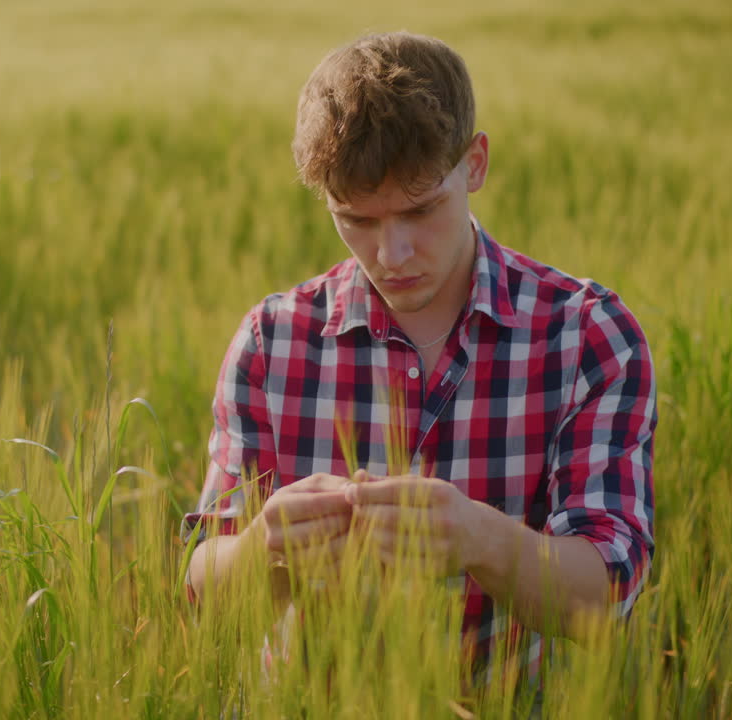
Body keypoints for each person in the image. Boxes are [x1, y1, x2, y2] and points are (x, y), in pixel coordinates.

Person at [181, 31, 655, 686]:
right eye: (358, 221)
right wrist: (263, 549)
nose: (391, 255)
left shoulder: (586, 337)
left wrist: (479, 540)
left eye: (421, 209)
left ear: (476, 163)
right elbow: (203, 588)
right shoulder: (271, 343)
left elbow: (608, 598)